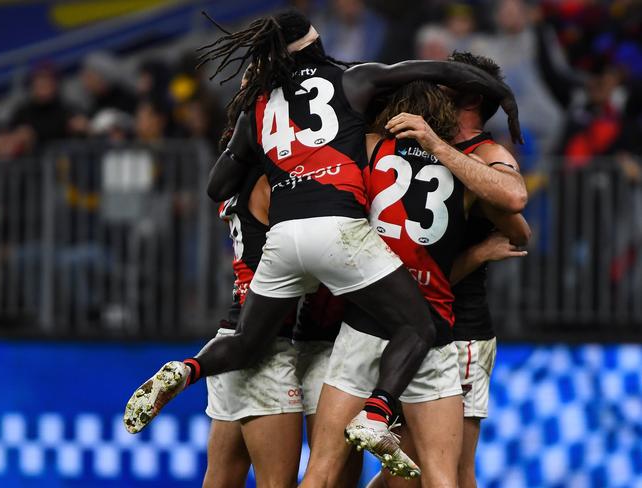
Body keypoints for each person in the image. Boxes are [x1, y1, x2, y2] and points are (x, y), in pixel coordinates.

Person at [124, 9, 522, 476]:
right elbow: (431, 72)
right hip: (336, 251)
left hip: (283, 265)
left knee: (247, 360)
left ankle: (188, 368)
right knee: (420, 327)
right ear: (316, 44)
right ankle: (377, 413)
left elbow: (217, 186)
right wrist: (505, 96)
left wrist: (253, 144)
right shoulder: (353, 81)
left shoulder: (260, 113)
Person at [301, 76, 528, 488]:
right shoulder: (467, 172)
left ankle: (375, 413)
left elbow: (349, 94)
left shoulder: (371, 147)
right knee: (443, 476)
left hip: (366, 321)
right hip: (433, 330)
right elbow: (519, 223)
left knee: (321, 470)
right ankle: (377, 414)